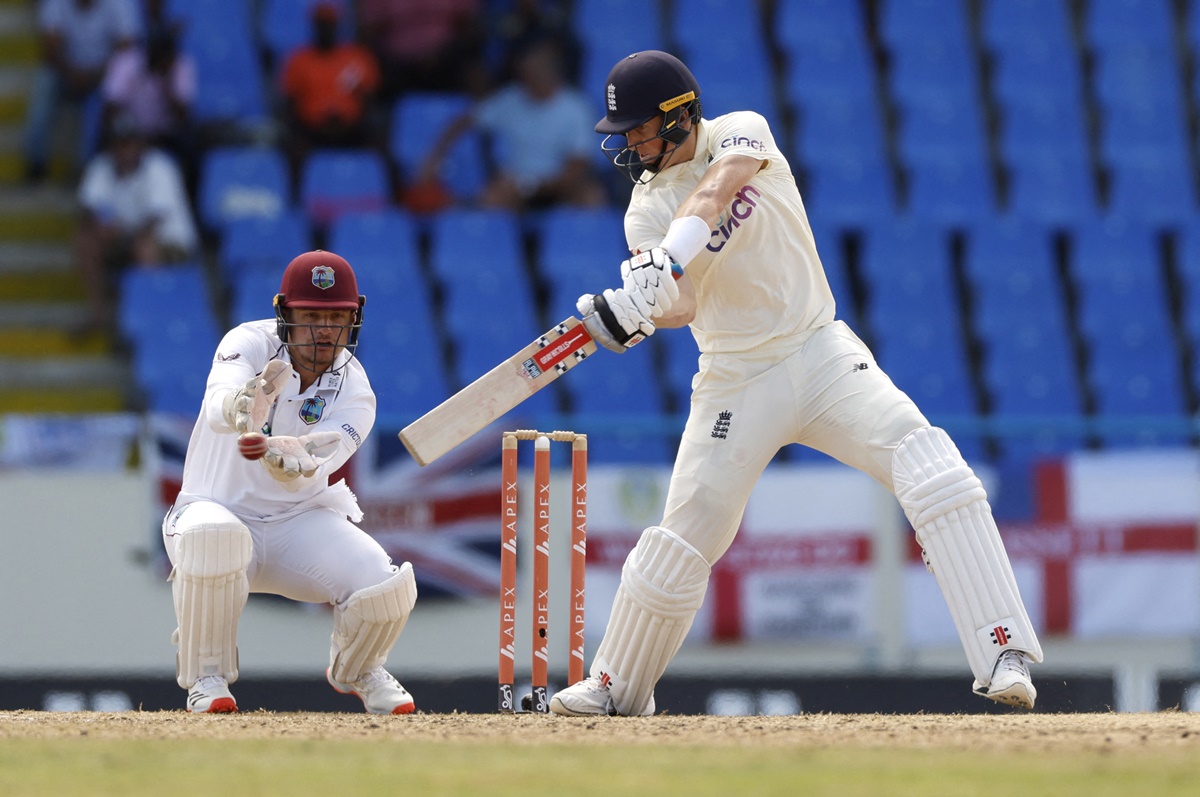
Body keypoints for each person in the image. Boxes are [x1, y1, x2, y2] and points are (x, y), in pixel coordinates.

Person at [550, 51, 1043, 717]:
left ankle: (1003, 647)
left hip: (821, 353)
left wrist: (668, 256)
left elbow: (720, 186)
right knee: (684, 533)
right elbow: (682, 306)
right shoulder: (644, 211)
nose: (630, 144)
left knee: (933, 468)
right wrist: (636, 310)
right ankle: (615, 685)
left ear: (678, 117)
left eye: (638, 129)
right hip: (733, 381)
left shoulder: (737, 130)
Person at [161, 250, 419, 715]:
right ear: (284, 314)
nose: (324, 331)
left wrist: (295, 461)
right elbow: (221, 395)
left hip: (294, 524)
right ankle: (207, 678)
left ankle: (360, 668)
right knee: (213, 536)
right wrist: (242, 406)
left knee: (385, 584)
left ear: (354, 319)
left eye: (336, 317)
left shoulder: (356, 392)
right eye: (311, 316)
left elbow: (323, 458)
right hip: (212, 509)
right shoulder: (249, 342)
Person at [416, 36, 605, 212]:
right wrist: (435, 155)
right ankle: (492, 246)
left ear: (551, 71)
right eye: (526, 70)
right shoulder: (510, 99)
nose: (529, 75)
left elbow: (577, 167)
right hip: (516, 186)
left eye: (536, 70)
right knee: (491, 198)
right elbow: (464, 121)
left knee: (592, 198)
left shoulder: (576, 107)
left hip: (560, 186)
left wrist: (534, 185)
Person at [74, 111, 197, 333]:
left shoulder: (160, 166)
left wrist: (118, 233)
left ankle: (147, 326)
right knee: (86, 241)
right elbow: (87, 208)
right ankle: (99, 317)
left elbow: (155, 220)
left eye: (130, 143)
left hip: (171, 245)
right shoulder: (102, 167)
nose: (126, 150)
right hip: (126, 239)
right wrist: (101, 227)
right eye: (120, 144)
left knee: (145, 248)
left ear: (140, 144)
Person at [23, 0, 141, 183]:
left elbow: (126, 46)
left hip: (102, 74)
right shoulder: (56, 3)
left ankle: (84, 168)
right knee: (44, 87)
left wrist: (95, 74)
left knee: (111, 90)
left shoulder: (117, 4)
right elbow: (50, 46)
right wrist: (72, 73)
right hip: (65, 71)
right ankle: (36, 161)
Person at [278, 1, 382, 177]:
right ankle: (297, 200)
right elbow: (291, 104)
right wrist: (314, 125)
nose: (325, 29)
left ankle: (383, 195)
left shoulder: (356, 57)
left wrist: (347, 124)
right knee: (294, 149)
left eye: (329, 24)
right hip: (313, 130)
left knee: (378, 146)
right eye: (321, 24)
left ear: (337, 26)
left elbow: (368, 99)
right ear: (314, 26)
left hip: (351, 129)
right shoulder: (299, 60)